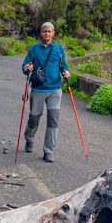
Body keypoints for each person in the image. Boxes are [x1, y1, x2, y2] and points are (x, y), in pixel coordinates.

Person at [20, 21, 70, 162]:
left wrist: (66, 72)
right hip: (38, 88)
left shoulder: (59, 49)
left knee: (53, 120)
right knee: (34, 118)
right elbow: (25, 64)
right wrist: (26, 68)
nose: (47, 33)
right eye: (44, 31)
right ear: (41, 33)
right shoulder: (34, 48)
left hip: (55, 89)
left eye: (49, 31)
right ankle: (29, 139)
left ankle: (48, 150)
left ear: (53, 33)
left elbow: (63, 66)